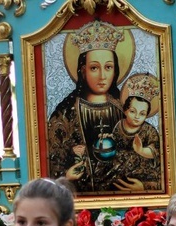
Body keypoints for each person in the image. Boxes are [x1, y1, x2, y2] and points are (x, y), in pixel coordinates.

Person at [47, 20, 127, 193]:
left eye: (108, 67)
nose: (102, 76)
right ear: (83, 71)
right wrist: (66, 176)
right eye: (94, 68)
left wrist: (143, 187)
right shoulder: (65, 115)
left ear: (116, 70)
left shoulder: (125, 110)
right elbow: (52, 163)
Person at [105, 73, 162, 191]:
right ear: (125, 111)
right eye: (132, 111)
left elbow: (155, 151)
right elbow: (115, 144)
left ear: (146, 115)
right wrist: (108, 140)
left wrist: (141, 150)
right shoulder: (119, 125)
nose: (137, 117)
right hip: (119, 168)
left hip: (142, 171)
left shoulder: (149, 130)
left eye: (142, 114)